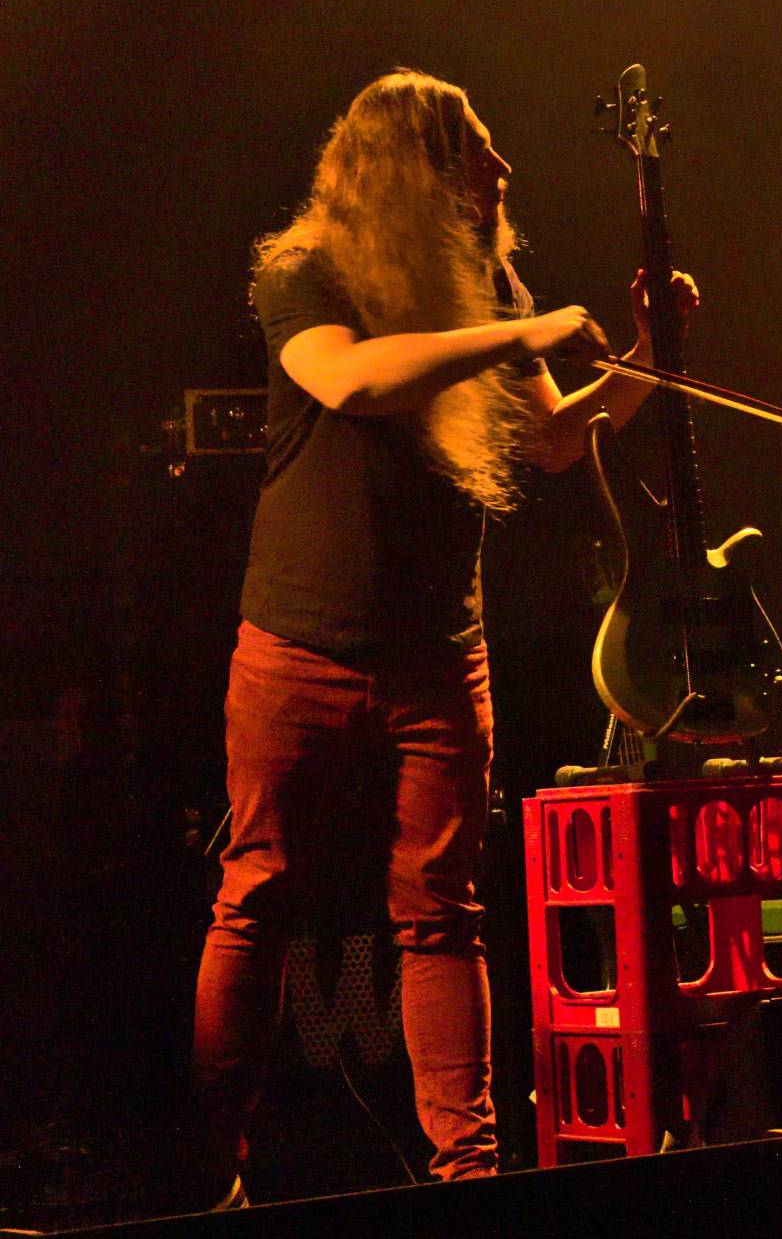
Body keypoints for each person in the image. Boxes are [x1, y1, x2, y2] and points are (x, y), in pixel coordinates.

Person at [185, 69, 695, 1205]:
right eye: (477, 151)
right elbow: (351, 381)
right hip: (299, 642)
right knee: (258, 893)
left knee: (442, 913)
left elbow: (556, 442)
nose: (503, 171)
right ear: (411, 171)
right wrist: (513, 330)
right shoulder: (304, 270)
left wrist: (649, 353)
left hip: (438, 652)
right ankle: (212, 1175)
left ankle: (469, 1173)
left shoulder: (486, 288)